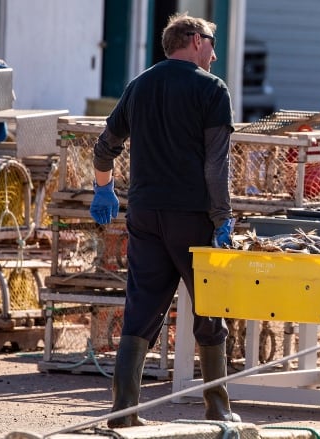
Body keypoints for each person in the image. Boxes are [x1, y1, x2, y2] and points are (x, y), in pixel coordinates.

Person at [89, 13, 239, 427]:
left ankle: (123, 412)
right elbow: (216, 164)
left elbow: (105, 147)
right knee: (210, 310)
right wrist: (222, 218)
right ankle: (218, 409)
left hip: (145, 214)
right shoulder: (212, 89)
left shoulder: (140, 85)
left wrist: (105, 188)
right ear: (193, 40)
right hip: (193, 217)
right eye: (211, 41)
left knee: (141, 307)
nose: (214, 51)